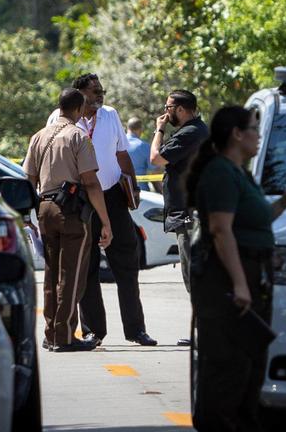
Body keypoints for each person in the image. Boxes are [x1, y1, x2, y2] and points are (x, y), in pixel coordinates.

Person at [186, 106, 286, 432]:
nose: (257, 135)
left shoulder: (239, 173)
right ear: (237, 134)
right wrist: (240, 283)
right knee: (229, 366)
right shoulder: (220, 173)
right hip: (226, 278)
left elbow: (254, 221)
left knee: (250, 365)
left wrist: (285, 202)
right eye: (253, 129)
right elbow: (221, 230)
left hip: (252, 272)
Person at [50, 74, 157, 347]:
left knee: (127, 262)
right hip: (80, 200)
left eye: (101, 90)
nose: (100, 94)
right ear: (79, 94)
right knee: (87, 268)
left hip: (111, 197)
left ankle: (136, 329)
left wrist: (133, 186)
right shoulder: (60, 119)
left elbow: (122, 154)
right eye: (94, 90)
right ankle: (93, 331)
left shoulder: (110, 115)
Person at [24, 88, 113, 353]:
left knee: (51, 273)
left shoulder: (38, 136)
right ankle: (64, 337)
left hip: (45, 209)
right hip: (71, 212)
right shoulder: (78, 136)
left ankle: (51, 333)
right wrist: (106, 222)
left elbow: (29, 180)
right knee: (71, 275)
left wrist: (29, 215)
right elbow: (91, 182)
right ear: (78, 109)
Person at [150, 89, 208, 293]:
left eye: (168, 107)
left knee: (193, 277)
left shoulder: (189, 133)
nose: (165, 112)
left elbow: (156, 158)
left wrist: (159, 130)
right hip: (192, 212)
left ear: (181, 109)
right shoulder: (197, 130)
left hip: (189, 215)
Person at [126, 117, 161, 193]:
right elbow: (154, 172)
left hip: (121, 190)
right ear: (140, 129)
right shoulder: (144, 146)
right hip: (141, 192)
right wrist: (160, 192)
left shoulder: (117, 144)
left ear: (127, 127)